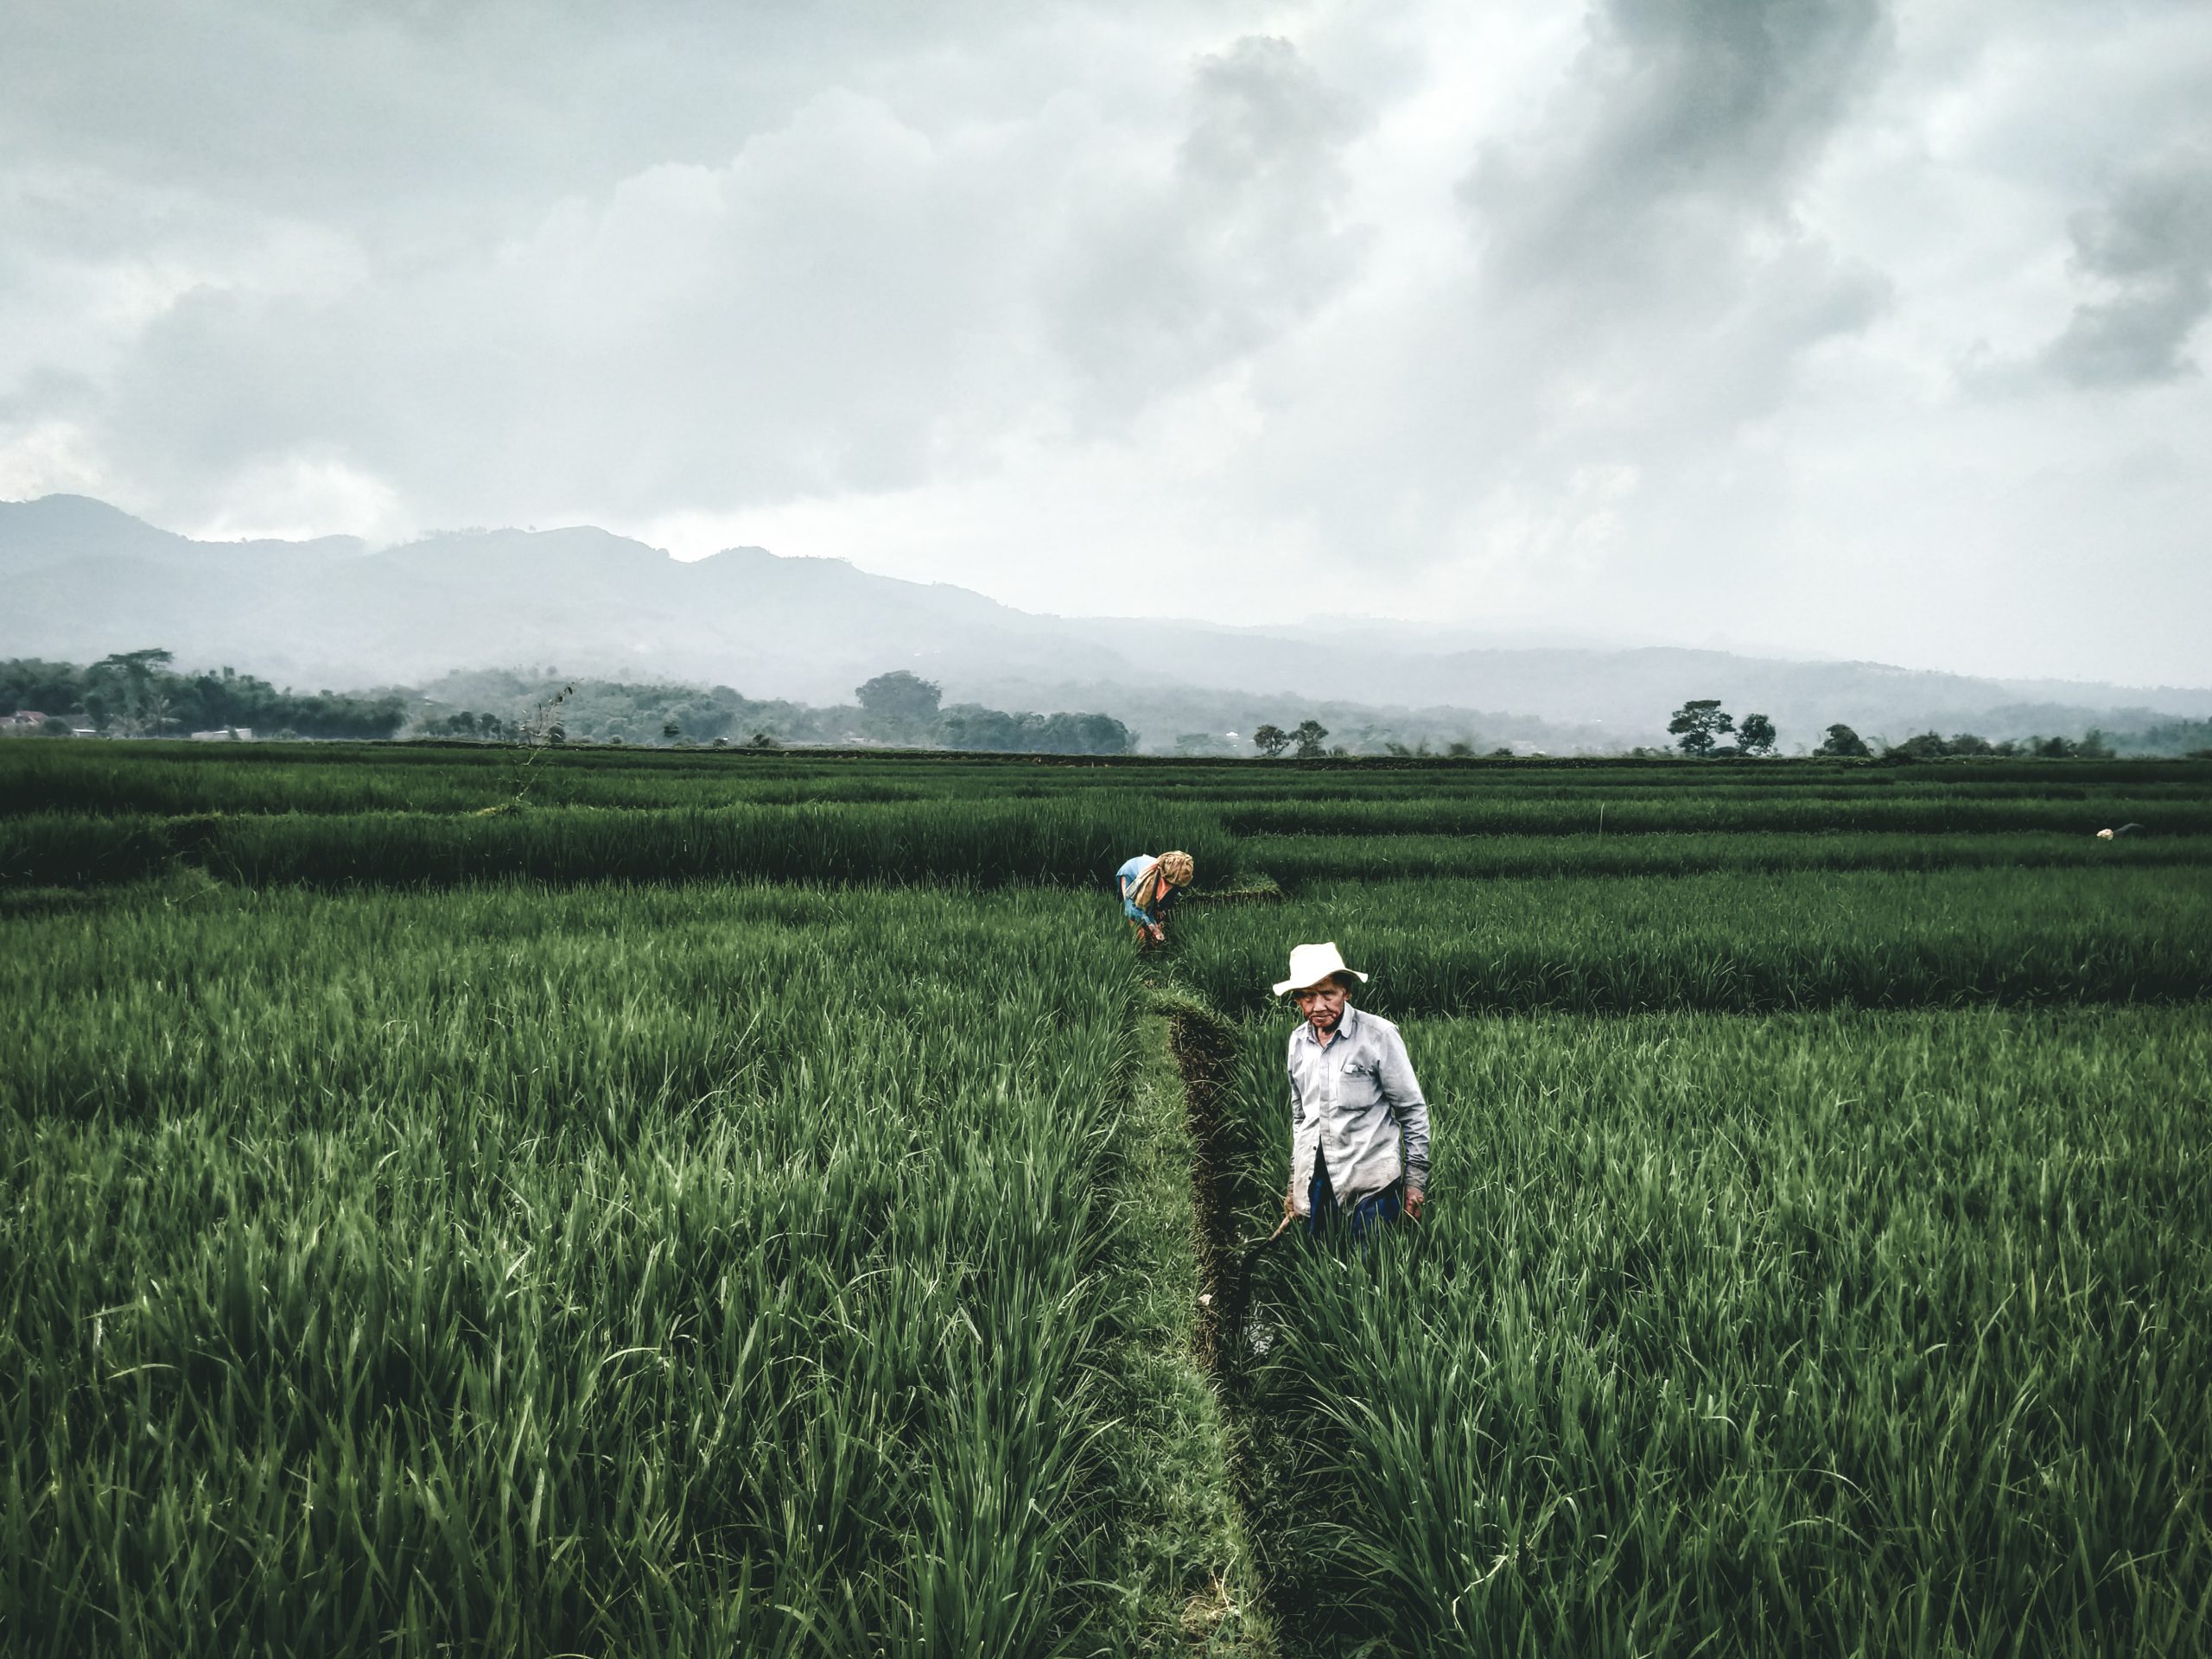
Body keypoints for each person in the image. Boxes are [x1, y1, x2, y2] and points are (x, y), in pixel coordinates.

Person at [1274, 942, 1430, 1240]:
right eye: (1307, 997)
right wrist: (1295, 1184)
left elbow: (1412, 1111)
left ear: (1346, 992)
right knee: (1321, 1258)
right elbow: (1301, 1118)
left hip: (1373, 1181)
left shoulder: (1378, 1036)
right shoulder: (1298, 1043)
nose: (1318, 1006)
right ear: (1296, 1001)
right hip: (1319, 1179)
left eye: (1327, 994)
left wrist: (1415, 1183)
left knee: (1372, 1270)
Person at [1117, 850, 1194, 945]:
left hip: (1158, 881)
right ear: (1162, 875)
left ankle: (1154, 946)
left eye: (1173, 885)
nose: (1169, 887)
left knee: (1155, 915)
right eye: (1167, 883)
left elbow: (1167, 899)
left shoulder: (1178, 879)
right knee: (1137, 925)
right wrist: (1153, 928)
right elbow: (1131, 909)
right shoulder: (1146, 878)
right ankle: (1141, 949)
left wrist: (1159, 911)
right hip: (1132, 875)